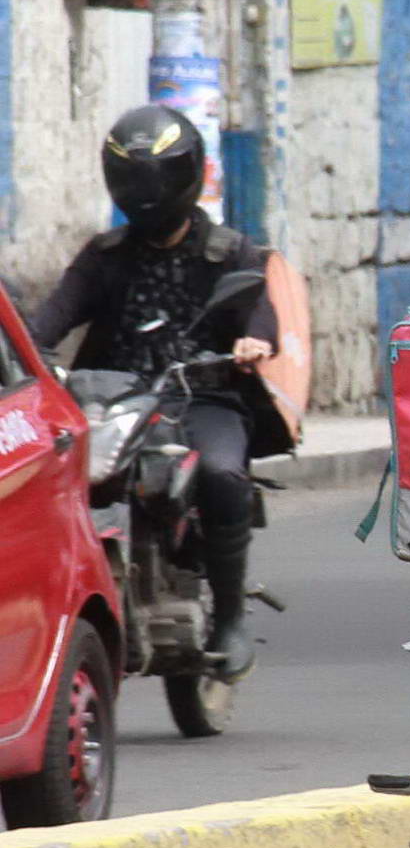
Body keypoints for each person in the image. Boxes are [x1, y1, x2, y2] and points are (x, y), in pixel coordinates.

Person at [32, 104, 289, 680]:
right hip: (115, 403)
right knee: (44, 482)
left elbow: (260, 315)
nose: (146, 192)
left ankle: (228, 618)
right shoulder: (104, 256)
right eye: (132, 179)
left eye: (157, 178)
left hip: (203, 399)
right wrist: (26, 357)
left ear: (187, 175)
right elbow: (49, 320)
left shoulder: (227, 252)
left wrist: (252, 342)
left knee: (223, 475)